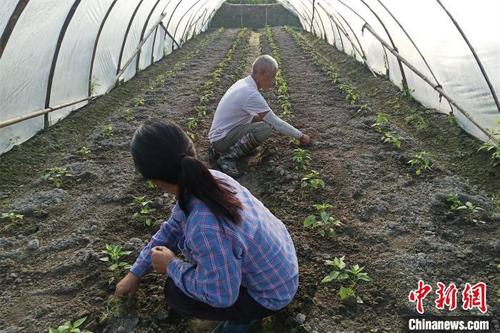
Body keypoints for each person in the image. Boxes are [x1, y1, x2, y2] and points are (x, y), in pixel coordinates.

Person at [116, 119, 299, 333]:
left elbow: (220, 296)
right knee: (195, 270)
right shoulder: (211, 179)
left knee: (176, 292)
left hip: (271, 295)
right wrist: (136, 272)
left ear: (154, 180)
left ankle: (244, 321)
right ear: (189, 147)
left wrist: (171, 265)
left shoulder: (203, 227)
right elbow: (172, 228)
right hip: (282, 269)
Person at [208, 54, 310, 177]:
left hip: (217, 136)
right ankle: (227, 158)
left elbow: (250, 116)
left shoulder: (244, 83)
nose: (274, 82)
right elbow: (275, 122)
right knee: (264, 128)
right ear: (262, 73)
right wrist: (300, 136)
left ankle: (227, 149)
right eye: (273, 77)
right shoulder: (251, 93)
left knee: (261, 119)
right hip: (221, 140)